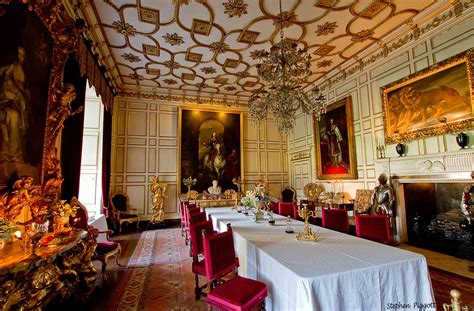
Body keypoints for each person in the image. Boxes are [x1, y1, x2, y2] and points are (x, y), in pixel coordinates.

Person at [0, 46, 30, 162]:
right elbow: (7, 85)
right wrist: (17, 95)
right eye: (18, 54)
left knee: (15, 116)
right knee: (13, 116)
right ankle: (10, 153)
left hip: (17, 103)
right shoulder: (10, 68)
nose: (20, 57)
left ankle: (15, 154)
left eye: (23, 55)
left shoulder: (22, 72)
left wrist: (22, 98)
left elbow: (25, 93)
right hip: (6, 102)